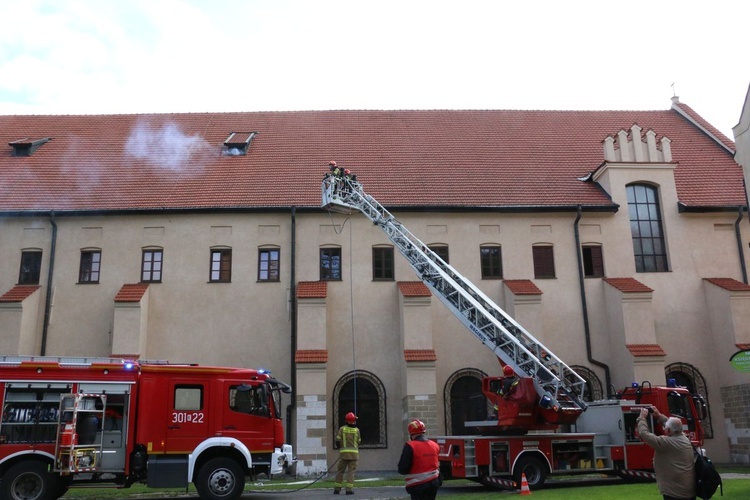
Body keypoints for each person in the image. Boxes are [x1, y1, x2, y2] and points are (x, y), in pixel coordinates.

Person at [637, 406, 696, 500]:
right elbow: (674, 426)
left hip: (675, 492)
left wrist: (642, 418)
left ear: (668, 430)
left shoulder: (668, 443)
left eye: (665, 427)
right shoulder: (684, 437)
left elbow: (644, 434)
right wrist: (659, 416)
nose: (664, 428)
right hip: (687, 490)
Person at [398, 419, 442, 500]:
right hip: (434, 483)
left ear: (411, 433)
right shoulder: (435, 445)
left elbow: (403, 469)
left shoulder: (410, 446)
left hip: (417, 486)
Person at [334, 411, 361, 495]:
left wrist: (340, 447)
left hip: (343, 455)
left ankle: (337, 489)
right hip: (354, 455)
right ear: (353, 421)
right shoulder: (357, 430)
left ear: (346, 421)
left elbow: (337, 440)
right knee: (351, 472)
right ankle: (349, 490)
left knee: (340, 471)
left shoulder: (342, 429)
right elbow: (359, 441)